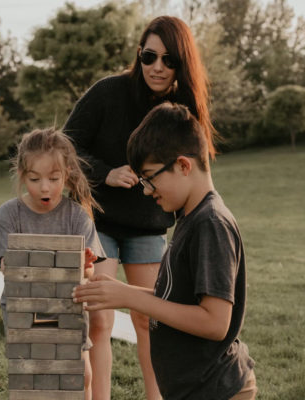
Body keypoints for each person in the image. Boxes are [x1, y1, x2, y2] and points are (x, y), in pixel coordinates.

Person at [64, 15, 217, 400]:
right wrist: (105, 174)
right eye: (150, 57)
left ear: (181, 64)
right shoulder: (106, 93)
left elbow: (192, 173)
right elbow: (65, 150)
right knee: (99, 320)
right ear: (139, 55)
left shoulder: (184, 109)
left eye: (169, 60)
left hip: (149, 227)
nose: (158, 67)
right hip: (98, 222)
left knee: (150, 319)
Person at [72, 102, 257, 400]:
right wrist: (120, 291)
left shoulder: (211, 224)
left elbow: (214, 322)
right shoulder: (190, 217)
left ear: (183, 165)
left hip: (216, 390)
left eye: (150, 177)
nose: (145, 190)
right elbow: (175, 301)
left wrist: (130, 297)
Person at [0, 128, 106, 400]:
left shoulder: (78, 217)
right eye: (35, 178)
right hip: (25, 311)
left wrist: (84, 265)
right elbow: (8, 267)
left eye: (54, 178)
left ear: (67, 175)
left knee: (81, 375)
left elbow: (89, 272)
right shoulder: (9, 215)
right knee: (31, 378)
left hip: (68, 309)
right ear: (22, 175)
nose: (45, 187)